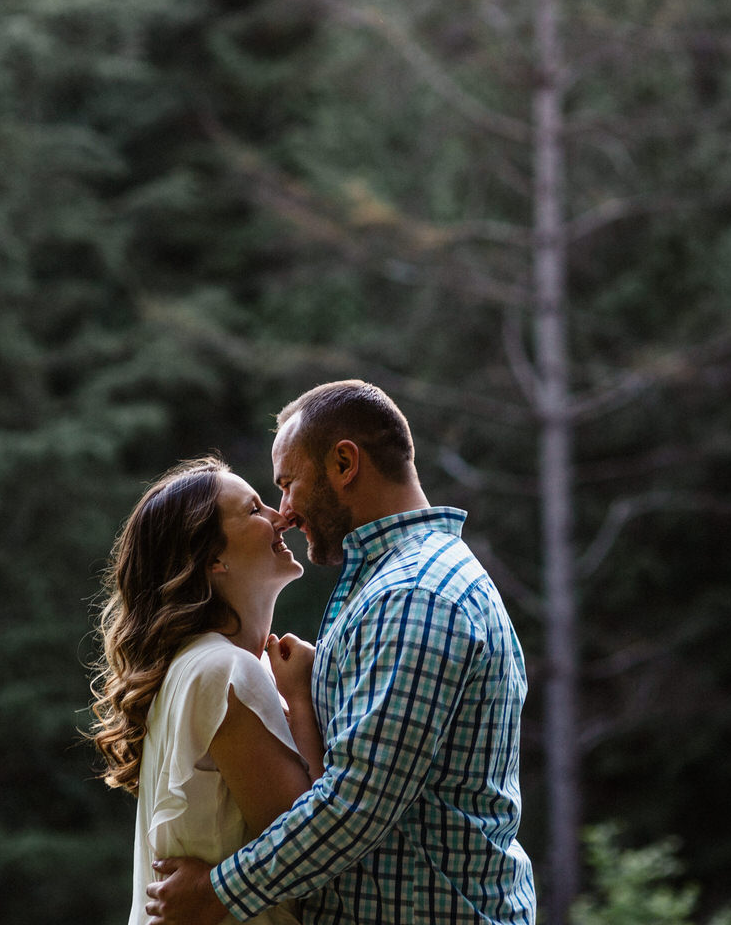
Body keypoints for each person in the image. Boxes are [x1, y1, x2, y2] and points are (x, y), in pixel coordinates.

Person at [144, 380, 536, 925]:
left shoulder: (414, 592)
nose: (284, 511)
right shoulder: (390, 584)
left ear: (344, 463)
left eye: (288, 484)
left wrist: (217, 894)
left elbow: (357, 804)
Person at [90, 456, 327, 925]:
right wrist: (300, 699)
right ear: (212, 559)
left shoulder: (198, 665)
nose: (282, 517)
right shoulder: (223, 670)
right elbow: (313, 848)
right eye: (255, 509)